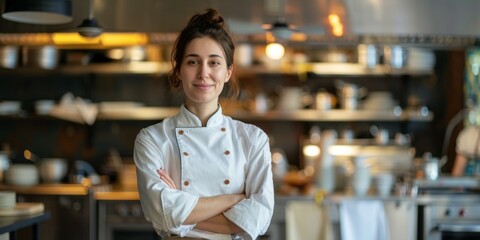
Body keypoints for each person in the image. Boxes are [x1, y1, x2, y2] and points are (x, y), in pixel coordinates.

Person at [133, 8, 275, 239]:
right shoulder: (153, 139)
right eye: (192, 62)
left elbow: (258, 220)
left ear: (228, 72)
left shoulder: (252, 139)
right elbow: (159, 212)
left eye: (214, 63)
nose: (203, 73)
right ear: (178, 70)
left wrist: (179, 213)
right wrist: (234, 199)